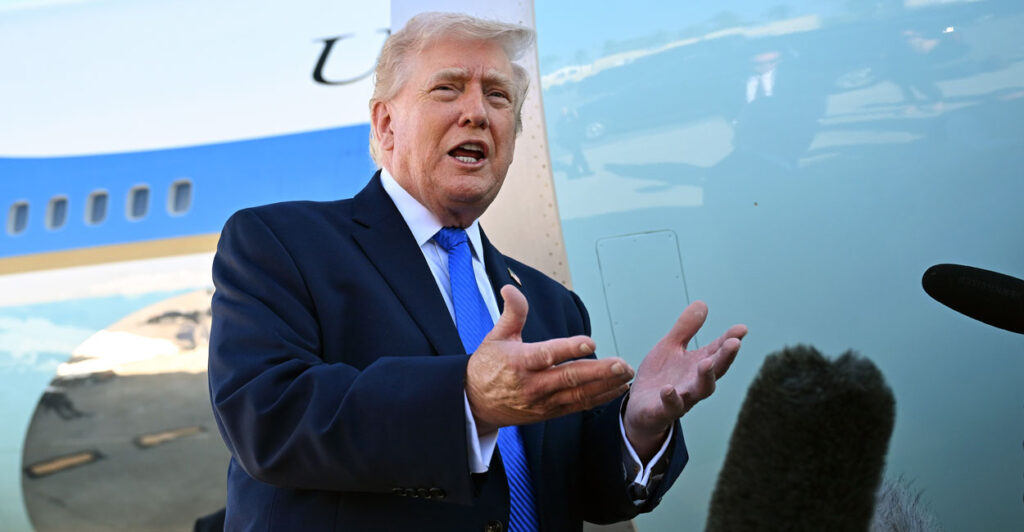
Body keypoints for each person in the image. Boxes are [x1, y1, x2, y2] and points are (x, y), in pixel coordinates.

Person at [208, 12, 747, 532]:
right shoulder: (279, 244)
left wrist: (637, 427)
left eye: (498, 96)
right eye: (447, 89)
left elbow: (583, 495)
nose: (477, 113)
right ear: (386, 123)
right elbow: (267, 419)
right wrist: (466, 402)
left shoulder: (552, 303)